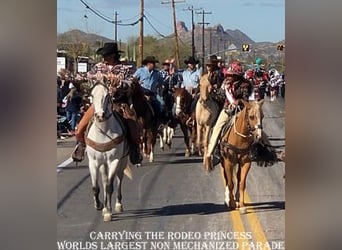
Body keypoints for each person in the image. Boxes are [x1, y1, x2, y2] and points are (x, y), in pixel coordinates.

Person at [71, 42, 143, 165]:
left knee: (133, 129)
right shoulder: (98, 67)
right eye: (103, 55)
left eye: (107, 55)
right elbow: (87, 77)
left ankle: (134, 150)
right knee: (79, 128)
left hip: (119, 104)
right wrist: (78, 78)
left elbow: (132, 83)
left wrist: (120, 84)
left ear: (114, 55)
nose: (104, 58)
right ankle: (82, 145)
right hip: (98, 104)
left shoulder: (125, 68)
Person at [205, 61, 253, 170]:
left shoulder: (244, 85)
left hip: (241, 110)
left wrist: (238, 101)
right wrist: (212, 92)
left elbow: (245, 99)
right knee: (217, 127)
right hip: (227, 110)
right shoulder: (225, 85)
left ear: (237, 76)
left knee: (253, 126)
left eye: (231, 75)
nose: (228, 76)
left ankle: (258, 148)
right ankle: (212, 152)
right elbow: (220, 97)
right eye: (228, 74)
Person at [133, 56, 166, 124]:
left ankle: (158, 122)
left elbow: (161, 83)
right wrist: (137, 82)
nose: (154, 65)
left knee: (162, 104)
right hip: (141, 93)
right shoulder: (140, 70)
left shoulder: (157, 73)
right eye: (153, 63)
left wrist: (160, 86)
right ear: (148, 64)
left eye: (154, 63)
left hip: (152, 94)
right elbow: (133, 79)